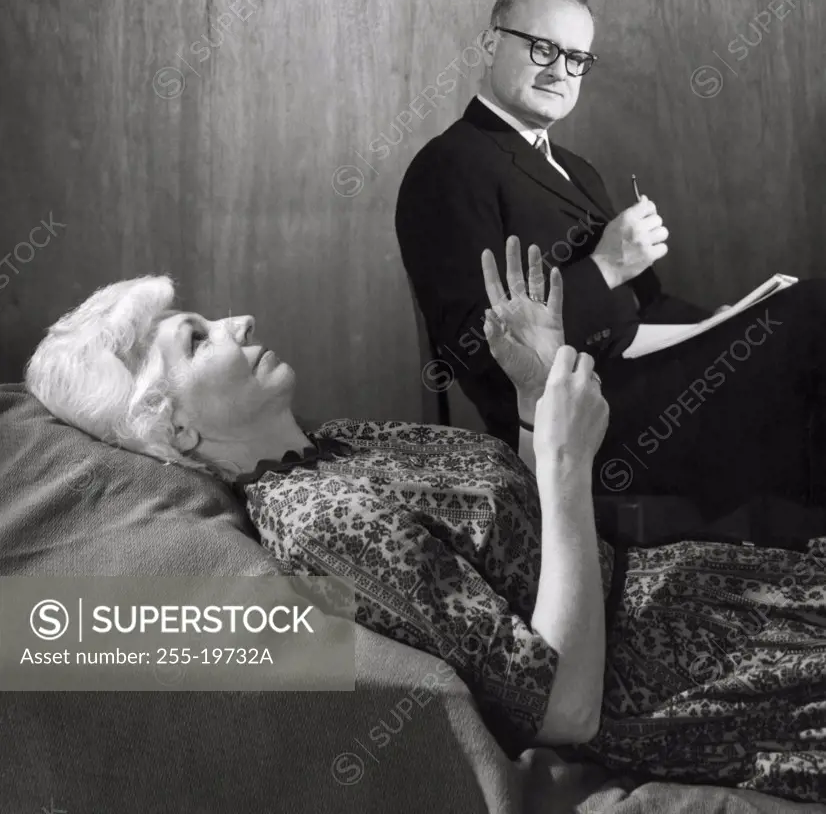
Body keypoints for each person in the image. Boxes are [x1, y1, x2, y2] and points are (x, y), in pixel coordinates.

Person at [24, 244, 826, 804]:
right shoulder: (320, 519)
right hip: (668, 679)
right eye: (196, 340)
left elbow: (513, 542)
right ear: (177, 430)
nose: (235, 320)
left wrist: (530, 396)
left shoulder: (335, 444)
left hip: (695, 593)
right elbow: (562, 708)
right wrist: (565, 463)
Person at [395, 0, 826, 521]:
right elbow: (472, 348)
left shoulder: (578, 170)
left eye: (576, 58)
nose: (558, 70)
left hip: (649, 379)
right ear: (488, 44)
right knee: (813, 313)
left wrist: (723, 323)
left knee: (791, 322)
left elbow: (646, 308)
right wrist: (603, 267)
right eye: (541, 47)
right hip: (581, 418)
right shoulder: (449, 165)